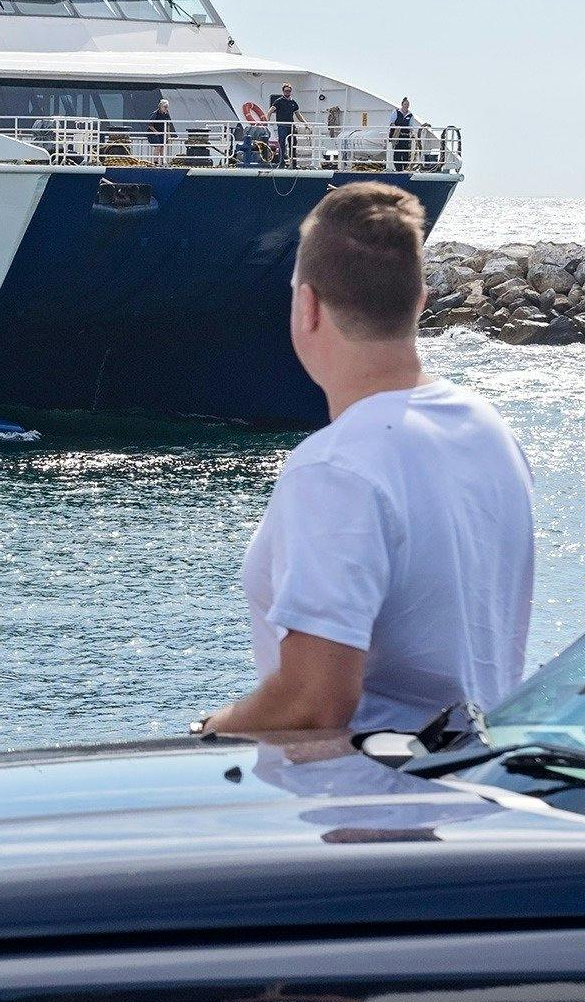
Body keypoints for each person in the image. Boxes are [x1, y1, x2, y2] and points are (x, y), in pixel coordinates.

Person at [206, 182, 534, 736]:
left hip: (364, 808)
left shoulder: (334, 468)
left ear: (307, 307)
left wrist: (212, 730)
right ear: (419, 303)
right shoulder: (487, 430)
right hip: (477, 792)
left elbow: (315, 702)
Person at [269, 82, 302, 168]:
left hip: (291, 126)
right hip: (282, 126)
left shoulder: (293, 102)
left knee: (293, 144)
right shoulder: (279, 101)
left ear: (291, 91)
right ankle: (281, 163)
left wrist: (305, 123)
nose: (287, 92)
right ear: (283, 91)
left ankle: (294, 164)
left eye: (289, 91)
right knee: (282, 144)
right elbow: (270, 111)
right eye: (286, 91)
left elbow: (298, 114)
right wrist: (267, 120)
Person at [389, 96, 417, 173]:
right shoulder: (396, 112)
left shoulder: (410, 115)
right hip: (398, 136)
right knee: (397, 152)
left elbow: (411, 126)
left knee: (405, 152)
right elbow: (392, 123)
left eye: (408, 104)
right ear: (402, 104)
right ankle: (398, 168)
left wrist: (412, 133)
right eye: (405, 104)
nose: (407, 105)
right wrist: (397, 128)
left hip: (406, 136)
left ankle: (405, 168)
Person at [150, 97, 173, 162]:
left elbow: (168, 124)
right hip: (154, 133)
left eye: (167, 107)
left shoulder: (166, 114)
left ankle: (163, 161)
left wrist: (168, 135)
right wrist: (156, 132)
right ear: (160, 106)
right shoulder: (155, 114)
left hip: (162, 132)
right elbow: (150, 125)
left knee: (163, 146)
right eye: (165, 107)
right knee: (158, 146)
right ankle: (155, 161)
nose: (166, 108)